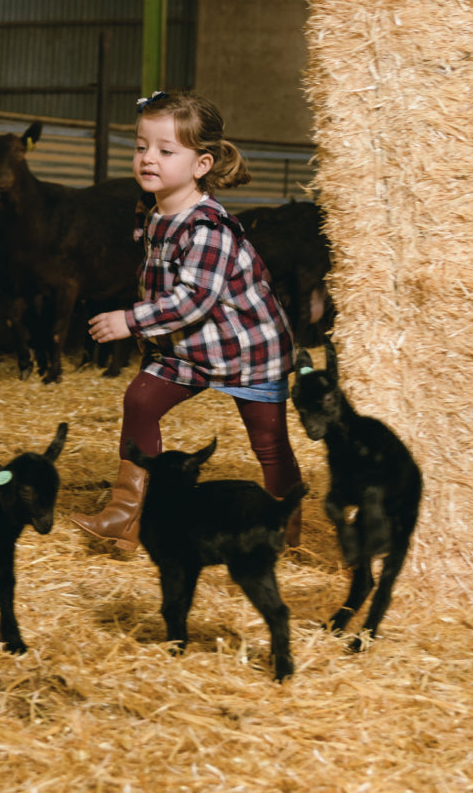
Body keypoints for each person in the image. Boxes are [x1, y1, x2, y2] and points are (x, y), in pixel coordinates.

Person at [70, 89, 302, 551]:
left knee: (268, 440)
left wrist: (130, 321)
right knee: (140, 401)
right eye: (140, 147)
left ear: (201, 165)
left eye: (165, 150)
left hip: (247, 350)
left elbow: (193, 298)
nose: (147, 158)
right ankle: (128, 513)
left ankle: (285, 526)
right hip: (189, 348)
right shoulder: (154, 211)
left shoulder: (207, 228)